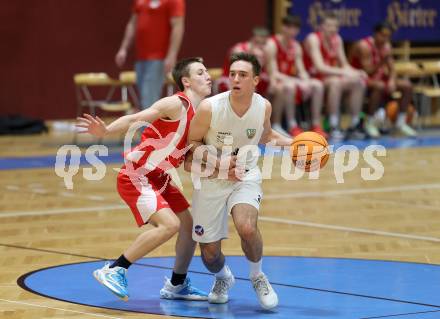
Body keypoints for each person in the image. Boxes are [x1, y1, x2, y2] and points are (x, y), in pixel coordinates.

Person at [76, 57, 212, 302]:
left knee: (189, 226)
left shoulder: (202, 113)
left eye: (206, 72)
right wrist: (106, 131)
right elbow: (136, 118)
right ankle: (115, 268)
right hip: (137, 174)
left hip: (159, 176)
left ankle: (177, 285)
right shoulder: (176, 103)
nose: (208, 76)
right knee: (170, 225)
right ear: (186, 81)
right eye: (200, 73)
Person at [185, 52, 292, 310]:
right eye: (232, 74)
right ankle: (223, 277)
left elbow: (265, 136)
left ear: (256, 80)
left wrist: (294, 144)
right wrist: (218, 163)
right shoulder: (210, 107)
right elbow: (191, 144)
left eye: (242, 75)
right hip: (211, 177)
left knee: (247, 227)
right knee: (209, 254)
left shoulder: (263, 106)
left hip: (245, 174)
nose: (235, 79)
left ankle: (257, 276)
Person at [303, 13, 367, 140]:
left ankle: (355, 124)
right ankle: (333, 125)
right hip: (312, 78)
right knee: (336, 82)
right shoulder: (313, 38)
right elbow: (320, 67)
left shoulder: (337, 39)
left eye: (335, 26)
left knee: (359, 82)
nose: (332, 29)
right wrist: (345, 72)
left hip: (331, 76)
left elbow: (344, 64)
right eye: (329, 26)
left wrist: (356, 72)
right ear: (321, 27)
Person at [349, 22, 417, 137]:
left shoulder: (386, 46)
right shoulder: (363, 46)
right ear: (375, 34)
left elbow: (392, 69)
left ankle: (400, 123)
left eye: (388, 36)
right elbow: (367, 71)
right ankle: (369, 123)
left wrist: (391, 80)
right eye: (383, 35)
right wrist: (382, 61)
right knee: (379, 86)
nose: (385, 38)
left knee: (407, 85)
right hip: (359, 78)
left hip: (378, 78)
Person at [115, 0, 185, 109]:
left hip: (158, 58)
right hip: (141, 58)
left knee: (149, 100)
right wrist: (123, 48)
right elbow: (132, 24)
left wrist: (172, 55)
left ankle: (148, 126)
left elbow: (178, 26)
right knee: (144, 100)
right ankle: (148, 125)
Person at [266, 15, 327, 138]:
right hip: (271, 81)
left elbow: (301, 71)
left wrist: (305, 80)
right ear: (282, 27)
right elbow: (273, 73)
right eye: (289, 28)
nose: (292, 31)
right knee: (289, 86)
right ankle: (291, 125)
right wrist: (297, 81)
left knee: (317, 85)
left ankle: (316, 124)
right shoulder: (272, 44)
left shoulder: (296, 46)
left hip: (290, 81)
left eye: (295, 28)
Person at [217, 26, 270, 97]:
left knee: (268, 82)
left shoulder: (264, 52)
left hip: (250, 78)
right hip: (230, 79)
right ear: (252, 40)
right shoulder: (239, 49)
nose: (260, 46)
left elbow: (262, 71)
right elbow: (239, 71)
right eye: (257, 43)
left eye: (263, 43)